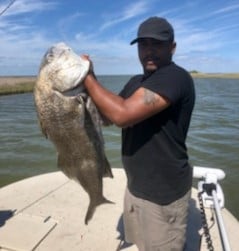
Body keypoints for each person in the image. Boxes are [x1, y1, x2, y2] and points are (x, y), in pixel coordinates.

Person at [83, 16, 195, 251]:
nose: (149, 51)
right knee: (142, 245)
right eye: (144, 44)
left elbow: (122, 115)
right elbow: (109, 116)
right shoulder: (136, 82)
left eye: (157, 44)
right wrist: (78, 91)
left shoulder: (175, 77)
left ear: (172, 47)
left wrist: (88, 77)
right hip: (136, 186)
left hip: (164, 194)